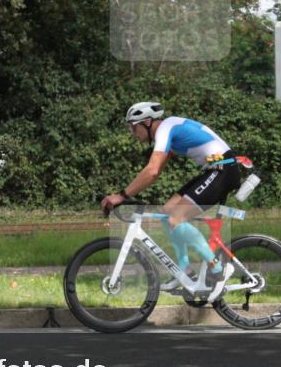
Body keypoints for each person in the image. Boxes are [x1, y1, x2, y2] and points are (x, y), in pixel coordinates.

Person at [100, 101, 242, 301]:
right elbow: (155, 172)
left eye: (133, 127)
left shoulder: (165, 129)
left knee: (176, 218)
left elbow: (152, 171)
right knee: (168, 211)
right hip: (216, 169)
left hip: (223, 170)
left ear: (147, 122)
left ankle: (218, 270)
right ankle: (185, 271)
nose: (132, 132)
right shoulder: (169, 131)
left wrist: (121, 196)